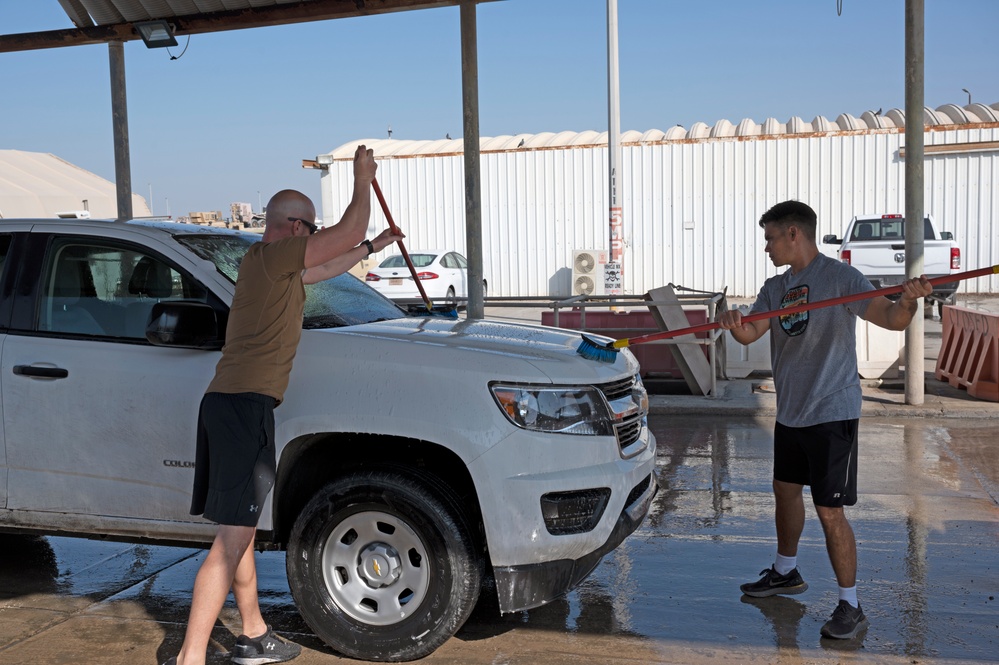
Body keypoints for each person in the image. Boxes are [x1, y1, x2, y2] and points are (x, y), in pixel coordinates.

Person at [163, 145, 403, 665]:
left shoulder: (275, 271)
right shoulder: (270, 257)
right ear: (294, 228)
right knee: (229, 544)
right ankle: (190, 658)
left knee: (239, 530)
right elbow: (340, 234)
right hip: (241, 408)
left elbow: (329, 262)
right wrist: (363, 179)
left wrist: (371, 246)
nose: (314, 238)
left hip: (233, 406)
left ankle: (252, 633)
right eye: (310, 230)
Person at [718, 200, 932, 640]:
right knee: (784, 491)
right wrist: (731, 321)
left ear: (794, 233)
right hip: (792, 410)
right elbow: (750, 332)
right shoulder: (775, 287)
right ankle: (785, 571)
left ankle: (850, 605)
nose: (767, 247)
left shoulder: (840, 278)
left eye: (770, 238)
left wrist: (907, 302)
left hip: (832, 409)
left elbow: (891, 319)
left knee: (829, 510)